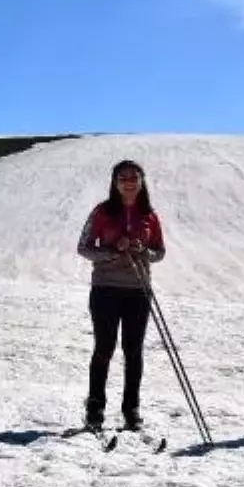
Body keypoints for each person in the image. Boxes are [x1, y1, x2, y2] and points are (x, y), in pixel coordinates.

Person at [76, 159, 166, 431]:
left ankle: (131, 408)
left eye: (133, 177)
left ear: (141, 181)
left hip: (138, 289)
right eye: (123, 177)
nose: (128, 181)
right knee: (105, 347)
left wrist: (143, 251)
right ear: (115, 182)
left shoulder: (149, 215)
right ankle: (95, 406)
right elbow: (84, 247)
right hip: (106, 288)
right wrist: (114, 250)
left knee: (134, 351)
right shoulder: (102, 212)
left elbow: (159, 252)